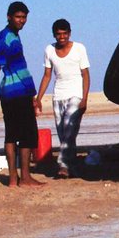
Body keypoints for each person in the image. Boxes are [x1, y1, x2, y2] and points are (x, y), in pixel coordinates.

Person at [0, 1, 45, 188]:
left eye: (24, 17)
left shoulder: (4, 36)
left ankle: (13, 179)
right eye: (18, 17)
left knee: (11, 135)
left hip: (7, 92)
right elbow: (4, 66)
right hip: (18, 91)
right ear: (9, 17)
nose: (22, 21)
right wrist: (32, 93)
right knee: (27, 134)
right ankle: (25, 178)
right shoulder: (9, 38)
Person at [35, 18, 90, 178]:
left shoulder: (79, 48)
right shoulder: (49, 50)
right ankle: (72, 167)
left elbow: (86, 75)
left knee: (69, 127)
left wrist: (84, 98)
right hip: (58, 96)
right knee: (64, 134)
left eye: (65, 34)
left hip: (76, 94)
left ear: (69, 33)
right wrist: (39, 98)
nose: (62, 37)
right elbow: (47, 75)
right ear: (54, 35)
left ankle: (62, 164)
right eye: (59, 34)